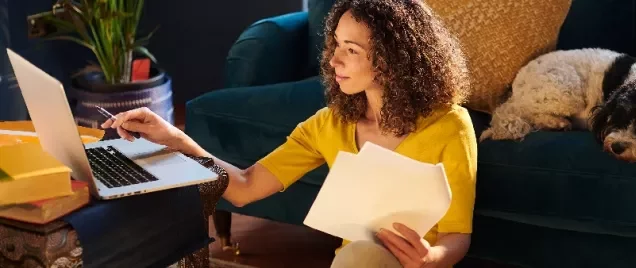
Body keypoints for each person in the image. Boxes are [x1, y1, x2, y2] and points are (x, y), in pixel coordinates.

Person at [101, 0, 477, 267]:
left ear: (392, 62)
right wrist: (173, 138)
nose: (333, 60)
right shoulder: (329, 125)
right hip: (354, 262)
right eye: (335, 46)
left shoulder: (450, 126)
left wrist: (431, 260)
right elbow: (245, 187)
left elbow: (458, 235)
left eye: (351, 50)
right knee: (362, 255)